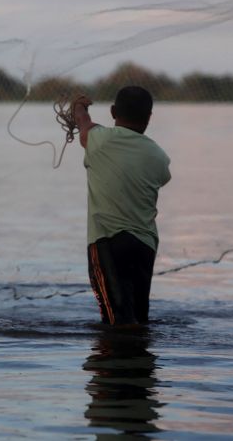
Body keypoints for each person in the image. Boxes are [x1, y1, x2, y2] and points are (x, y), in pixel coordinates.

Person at [72, 86, 171, 327]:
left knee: (116, 322)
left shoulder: (99, 139)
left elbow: (84, 125)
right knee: (137, 316)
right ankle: (139, 362)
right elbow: (162, 177)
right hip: (144, 246)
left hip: (108, 242)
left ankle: (115, 362)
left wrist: (78, 106)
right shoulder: (159, 157)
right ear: (149, 117)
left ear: (113, 111)